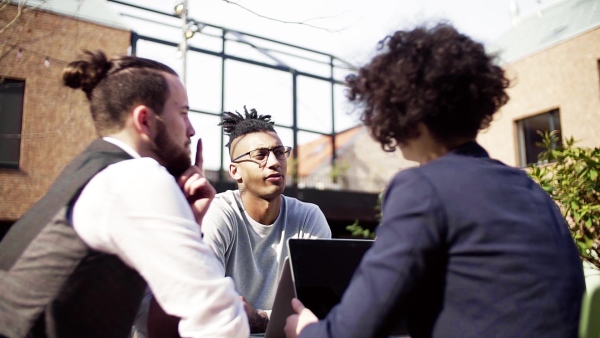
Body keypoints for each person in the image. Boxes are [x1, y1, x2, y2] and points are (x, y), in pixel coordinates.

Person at [284, 23, 586, 338]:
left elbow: (351, 331)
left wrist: (307, 330)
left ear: (405, 112)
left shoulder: (422, 188)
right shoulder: (530, 189)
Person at [0, 50, 249, 338]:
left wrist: (189, 222)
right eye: (183, 113)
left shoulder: (88, 173)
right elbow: (221, 320)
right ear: (145, 120)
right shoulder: (137, 178)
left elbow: (159, 321)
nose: (191, 130)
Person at [202, 107, 332, 332]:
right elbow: (206, 304)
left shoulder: (308, 217)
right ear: (235, 171)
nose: (274, 162)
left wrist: (259, 317)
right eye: (260, 155)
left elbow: (320, 306)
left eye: (279, 152)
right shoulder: (220, 213)